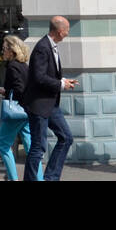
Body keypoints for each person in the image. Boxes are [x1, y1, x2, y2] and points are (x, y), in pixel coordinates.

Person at [22, 15, 77, 182]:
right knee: (38, 148)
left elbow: (48, 75)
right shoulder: (42, 47)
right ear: (59, 31)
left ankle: (51, 178)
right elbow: (38, 77)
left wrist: (63, 81)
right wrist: (61, 84)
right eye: (66, 30)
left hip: (50, 104)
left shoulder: (51, 46)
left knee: (66, 138)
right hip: (39, 104)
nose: (67, 33)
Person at [0, 35, 42, 181]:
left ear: (12, 50)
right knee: (31, 147)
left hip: (15, 110)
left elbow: (19, 88)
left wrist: (7, 92)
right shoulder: (24, 66)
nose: (2, 52)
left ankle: (13, 178)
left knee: (3, 145)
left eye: (4, 49)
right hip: (28, 110)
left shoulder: (12, 66)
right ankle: (39, 178)